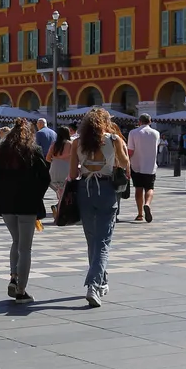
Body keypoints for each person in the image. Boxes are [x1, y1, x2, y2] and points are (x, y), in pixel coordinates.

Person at [71, 107, 129, 307]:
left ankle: (101, 280)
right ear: (106, 122)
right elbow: (125, 164)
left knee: (92, 240)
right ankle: (94, 285)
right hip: (106, 189)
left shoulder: (77, 142)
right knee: (103, 240)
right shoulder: (114, 140)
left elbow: (72, 173)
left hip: (84, 190)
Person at [0, 119, 49, 302]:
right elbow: (45, 178)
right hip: (27, 204)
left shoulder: (2, 150)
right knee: (25, 248)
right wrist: (37, 193)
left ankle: (14, 277)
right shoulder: (33, 151)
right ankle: (21, 290)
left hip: (6, 204)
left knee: (16, 241)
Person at [126, 114, 160, 222]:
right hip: (150, 165)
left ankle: (140, 214)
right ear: (150, 121)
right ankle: (147, 204)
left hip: (136, 165)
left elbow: (130, 151)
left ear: (139, 121)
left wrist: (126, 162)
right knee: (149, 188)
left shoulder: (133, 133)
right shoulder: (156, 133)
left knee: (138, 188)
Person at [46, 125, 72, 220]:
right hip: (66, 168)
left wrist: (56, 159)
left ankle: (59, 208)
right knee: (67, 190)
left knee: (59, 190)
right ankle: (60, 210)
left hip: (55, 168)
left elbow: (48, 158)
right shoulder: (70, 144)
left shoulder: (54, 144)